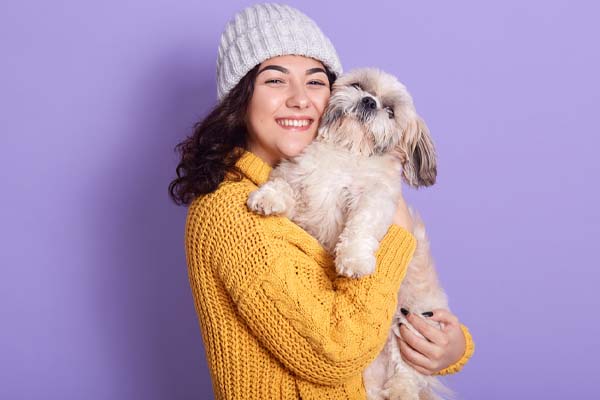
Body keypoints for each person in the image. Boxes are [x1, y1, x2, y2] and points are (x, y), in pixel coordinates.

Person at [168, 3, 474, 399]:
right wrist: (397, 236)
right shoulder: (230, 213)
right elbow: (336, 352)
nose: (300, 99)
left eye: (315, 82)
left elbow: (384, 306)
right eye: (275, 81)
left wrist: (451, 346)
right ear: (240, 99)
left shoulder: (329, 182)